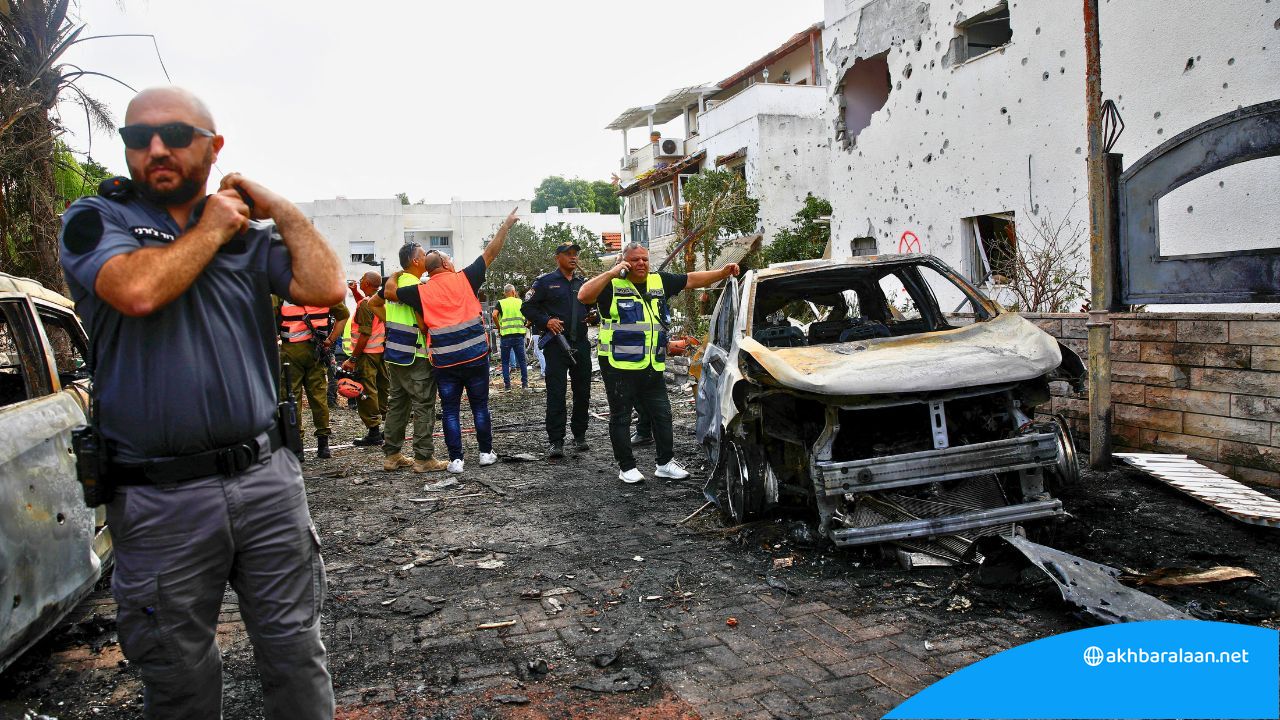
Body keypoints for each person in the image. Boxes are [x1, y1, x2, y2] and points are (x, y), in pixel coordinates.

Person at [57, 87, 340, 719]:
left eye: (176, 135)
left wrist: (282, 211)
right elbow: (135, 291)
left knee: (295, 652)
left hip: (267, 481)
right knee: (178, 672)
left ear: (213, 148)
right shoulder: (97, 219)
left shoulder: (246, 232)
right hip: (160, 497)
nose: (155, 149)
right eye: (138, 138)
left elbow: (324, 286)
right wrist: (212, 228)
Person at [578, 242, 740, 484]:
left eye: (644, 258)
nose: (641, 263)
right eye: (634, 259)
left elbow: (692, 279)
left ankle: (664, 463)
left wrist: (723, 272)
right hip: (619, 366)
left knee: (662, 414)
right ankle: (627, 467)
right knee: (621, 417)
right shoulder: (611, 284)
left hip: (651, 365)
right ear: (624, 261)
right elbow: (583, 295)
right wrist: (612, 273)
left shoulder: (658, 281)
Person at [382, 209, 517, 474]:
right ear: (445, 264)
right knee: (479, 406)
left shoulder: (420, 291)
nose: (452, 261)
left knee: (451, 410)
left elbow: (387, 292)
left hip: (444, 362)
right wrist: (506, 225)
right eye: (449, 258)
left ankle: (456, 460)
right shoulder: (465, 278)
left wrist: (397, 273)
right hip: (475, 356)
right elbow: (491, 252)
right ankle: (485, 453)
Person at [376, 243, 447, 473]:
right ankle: (423, 458)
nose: (427, 257)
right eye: (424, 254)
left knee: (397, 404)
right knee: (424, 404)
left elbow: (372, 303)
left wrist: (391, 323)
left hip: (395, 354)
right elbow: (422, 321)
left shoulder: (395, 283)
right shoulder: (416, 286)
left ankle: (392, 455)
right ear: (416, 261)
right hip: (415, 355)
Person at [523, 243, 593, 458]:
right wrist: (546, 321)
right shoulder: (545, 282)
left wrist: (594, 316)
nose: (573, 258)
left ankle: (579, 435)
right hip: (556, 345)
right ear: (558, 258)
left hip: (580, 343)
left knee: (583, 392)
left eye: (576, 255)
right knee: (556, 393)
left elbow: (592, 306)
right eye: (568, 254)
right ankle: (556, 441)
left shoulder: (583, 284)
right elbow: (527, 307)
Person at [277, 298, 348, 460]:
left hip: (290, 352)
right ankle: (323, 446)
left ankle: (297, 447)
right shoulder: (324, 294)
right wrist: (330, 339)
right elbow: (344, 315)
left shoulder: (284, 295)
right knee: (318, 396)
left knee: (291, 397)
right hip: (317, 351)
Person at [342, 271, 390, 447]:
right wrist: (355, 292)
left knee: (366, 391)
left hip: (366, 354)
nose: (360, 281)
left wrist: (353, 359)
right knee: (382, 387)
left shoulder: (365, 304)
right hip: (379, 352)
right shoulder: (378, 300)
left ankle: (373, 431)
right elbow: (366, 307)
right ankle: (387, 427)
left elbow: (364, 334)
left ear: (368, 284)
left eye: (362, 280)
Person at [492, 283, 528, 391]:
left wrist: (499, 328)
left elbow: (494, 315)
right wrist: (526, 325)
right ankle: (525, 384)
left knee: (505, 362)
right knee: (522, 361)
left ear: (505, 293)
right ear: (513, 292)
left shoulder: (501, 303)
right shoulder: (520, 302)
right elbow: (529, 314)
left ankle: (507, 386)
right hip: (519, 335)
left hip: (505, 336)